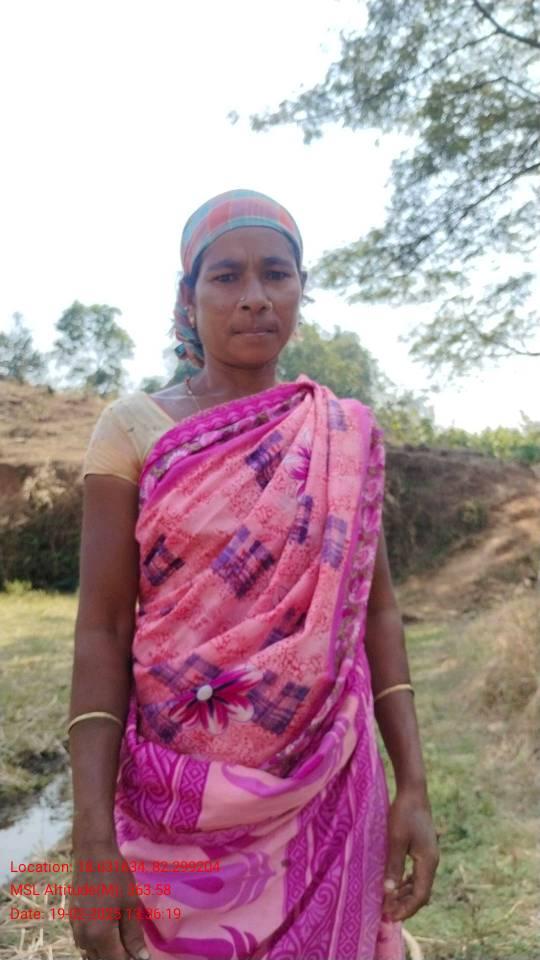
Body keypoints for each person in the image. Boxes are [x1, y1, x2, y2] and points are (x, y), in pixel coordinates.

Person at [68, 189, 439, 960]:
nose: (255, 297)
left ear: (301, 288)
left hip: (329, 782)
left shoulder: (338, 434)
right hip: (177, 796)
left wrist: (414, 785)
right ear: (188, 297)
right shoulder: (133, 430)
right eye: (226, 276)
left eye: (276, 273)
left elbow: (377, 613)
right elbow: (102, 629)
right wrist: (93, 835)